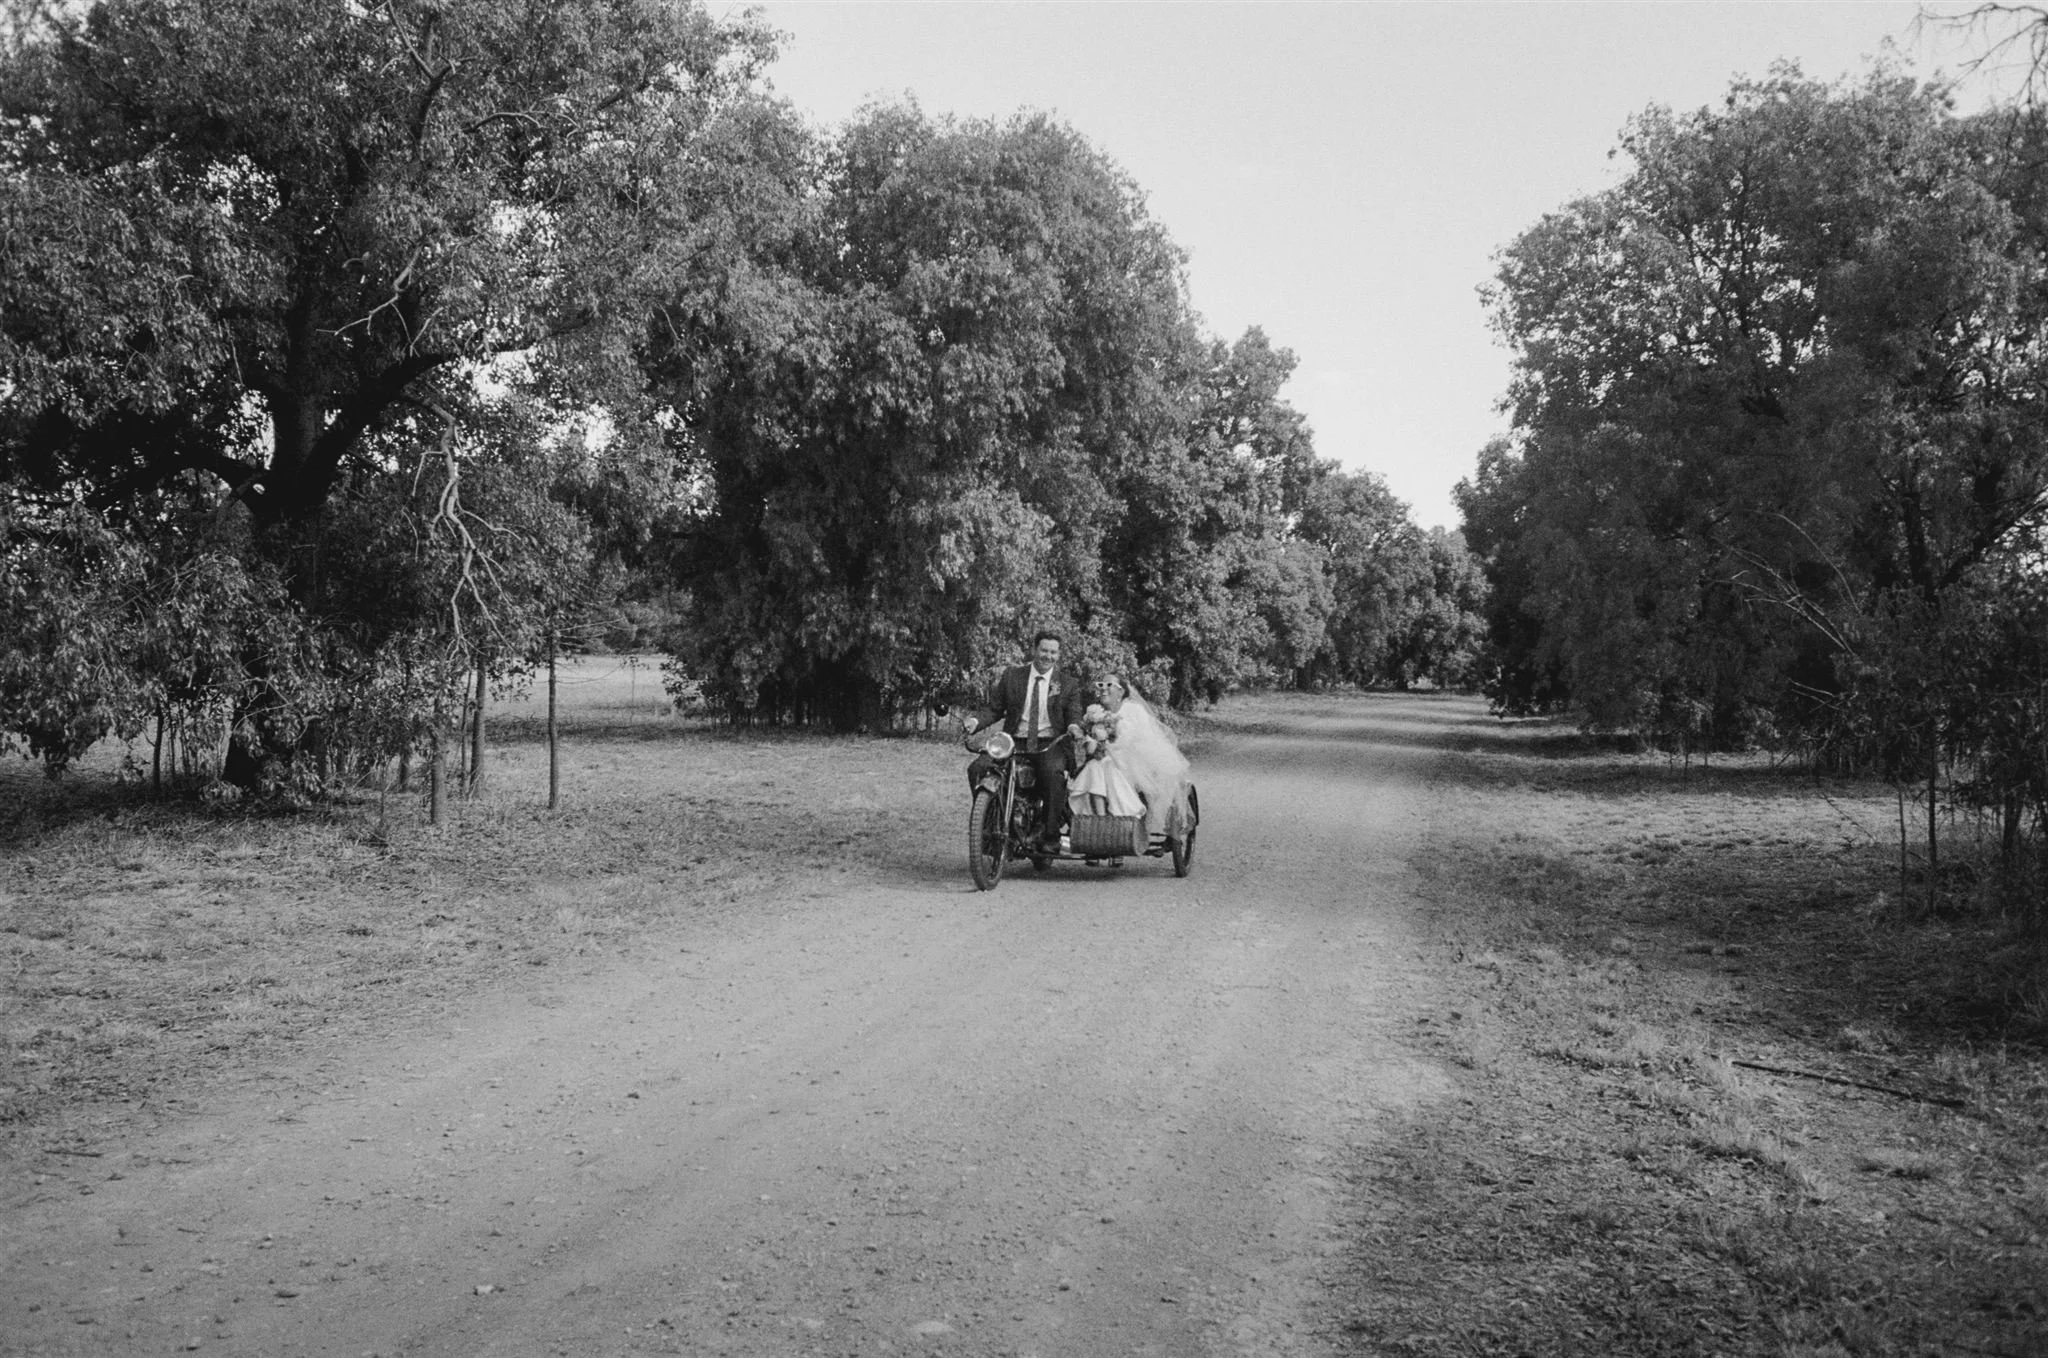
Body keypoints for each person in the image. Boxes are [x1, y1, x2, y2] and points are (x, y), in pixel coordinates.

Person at [962, 631, 1086, 849]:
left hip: (1050, 743)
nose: (1048, 656)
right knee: (979, 768)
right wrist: (974, 721)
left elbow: (1074, 714)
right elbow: (994, 709)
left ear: (1059, 655)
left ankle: (1050, 836)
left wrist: (1075, 728)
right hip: (1013, 741)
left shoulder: (1068, 684)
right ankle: (991, 826)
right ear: (1034, 650)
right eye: (1044, 650)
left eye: (1053, 652)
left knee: (1053, 775)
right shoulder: (1013, 676)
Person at [1073, 674, 1191, 842]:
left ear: (1121, 692)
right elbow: (1089, 742)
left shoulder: (1134, 710)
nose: (1103, 688)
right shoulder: (1095, 712)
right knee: (1095, 766)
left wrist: (1110, 745)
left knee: (1105, 766)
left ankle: (1120, 821)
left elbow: (1144, 740)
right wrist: (1091, 742)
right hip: (1104, 760)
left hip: (1133, 761)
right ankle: (1099, 824)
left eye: (1109, 684)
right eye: (1100, 684)